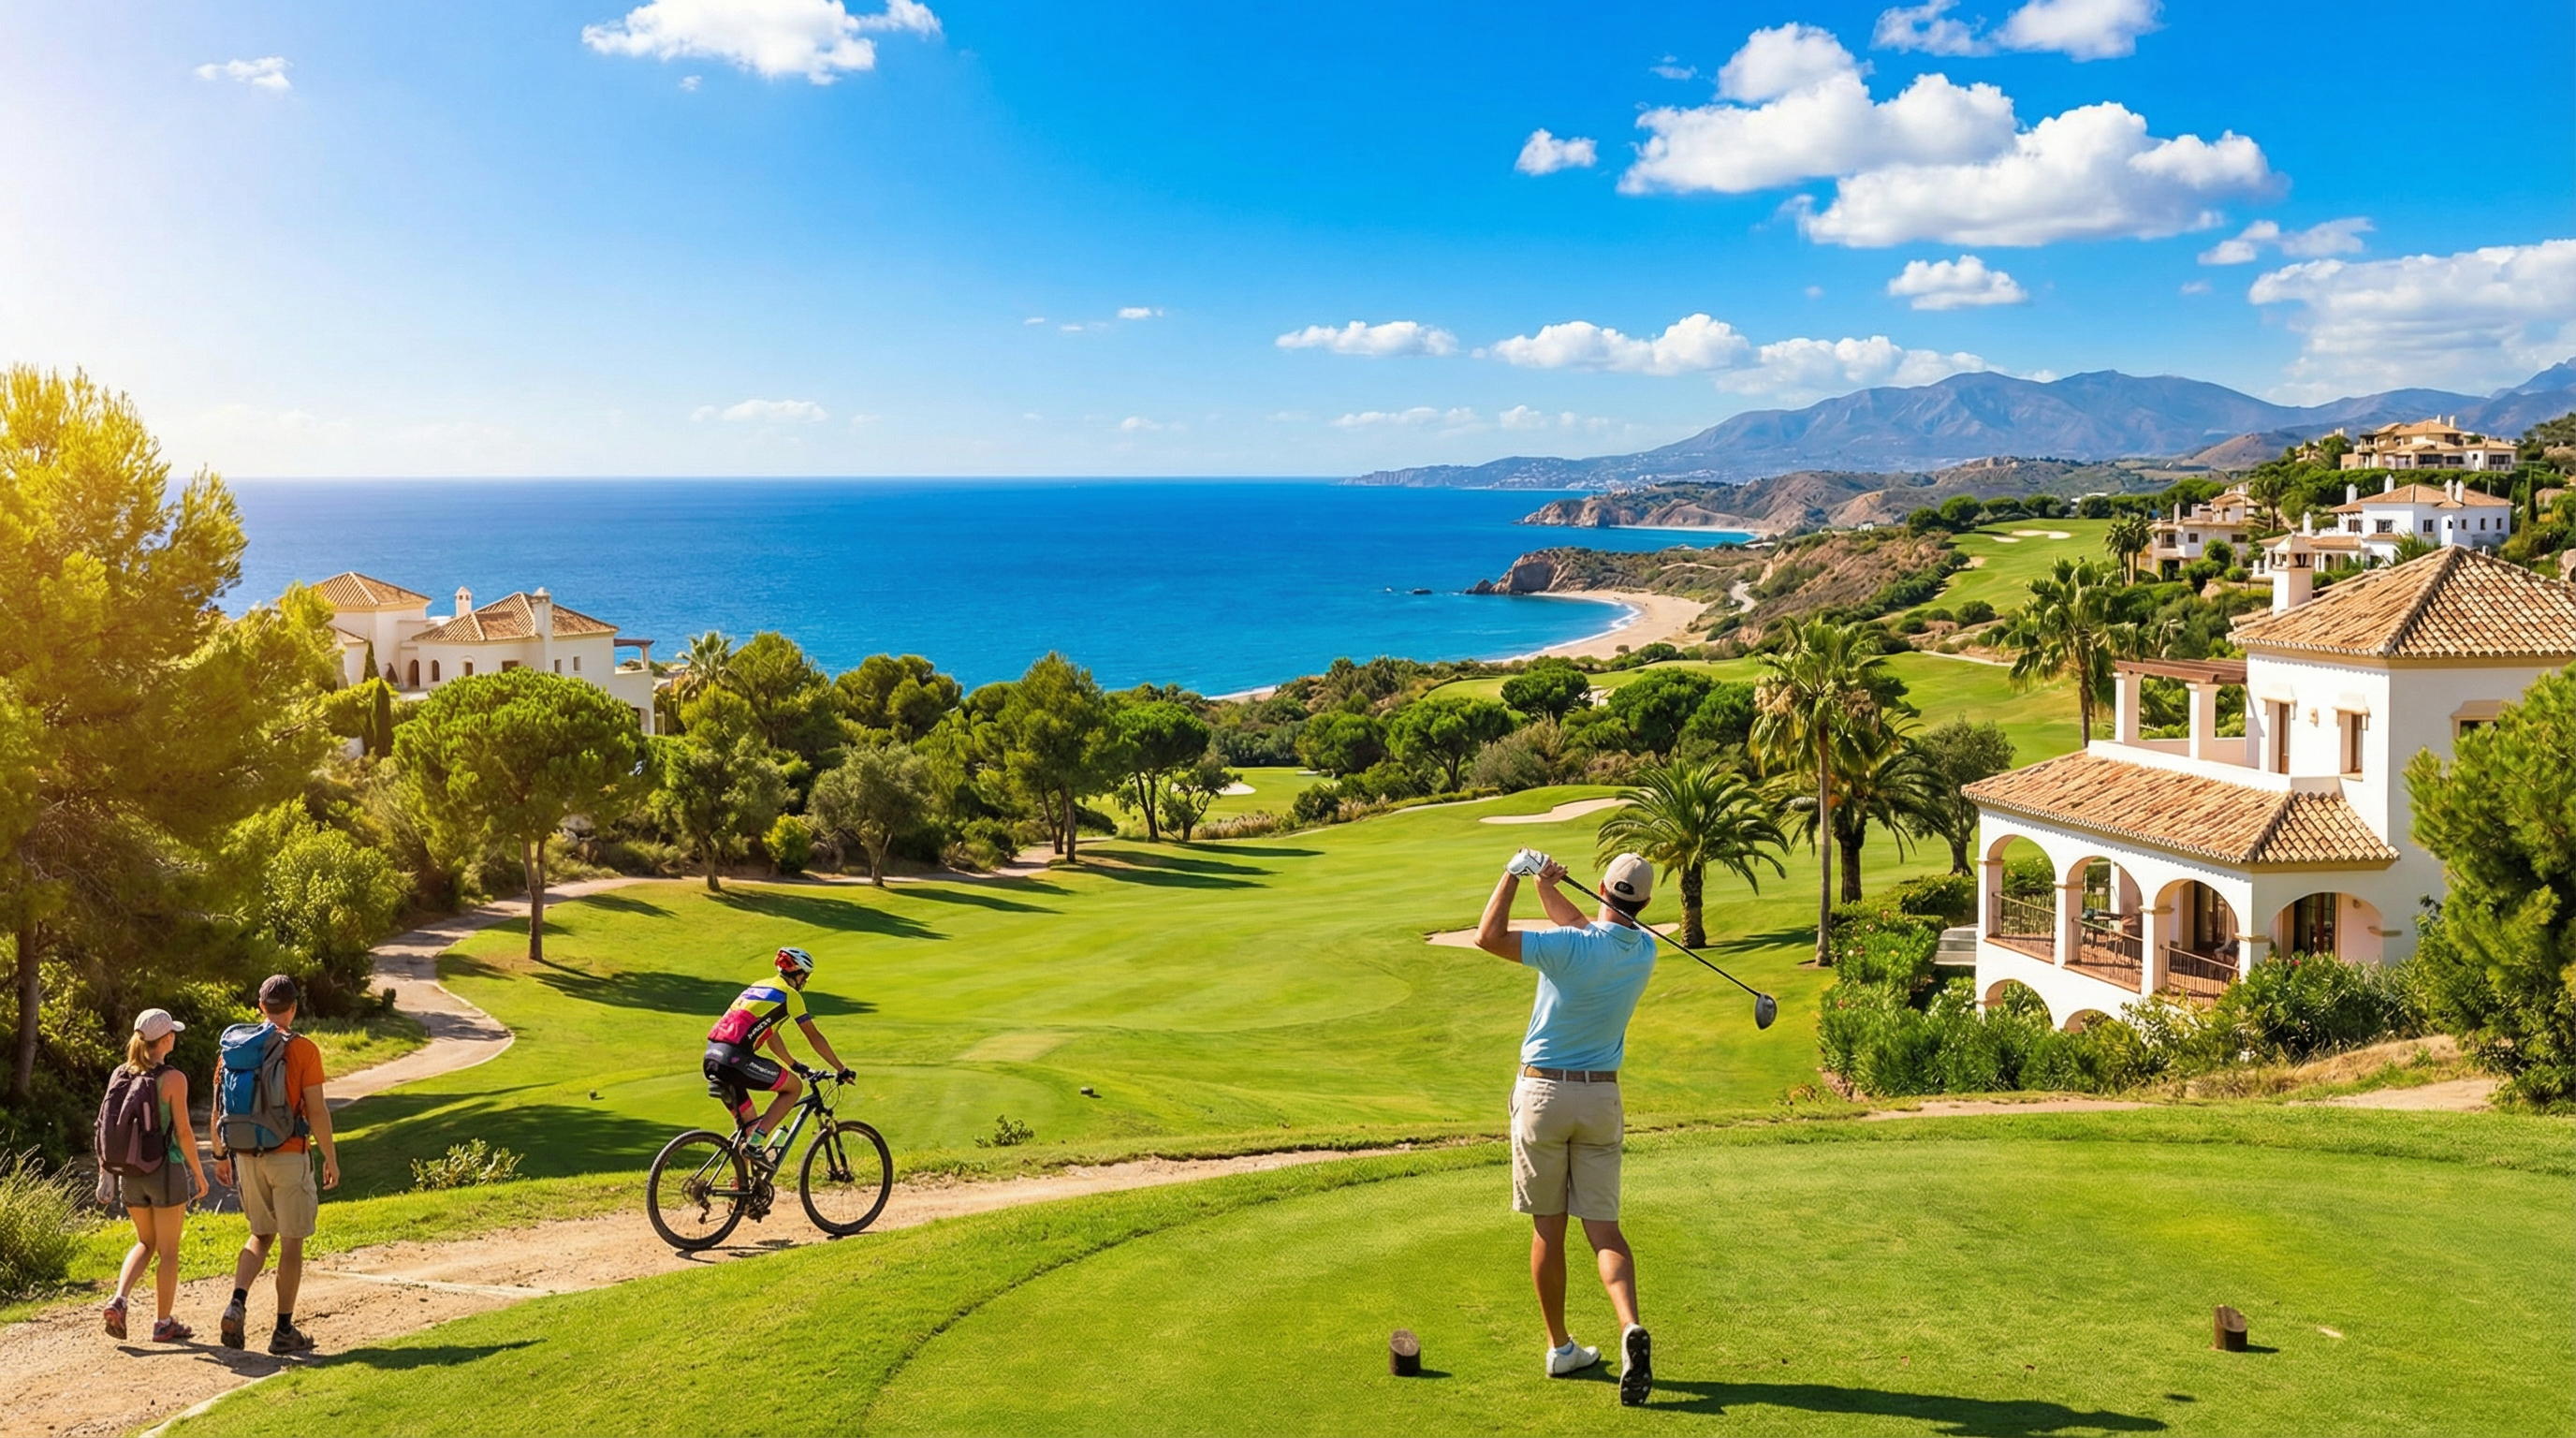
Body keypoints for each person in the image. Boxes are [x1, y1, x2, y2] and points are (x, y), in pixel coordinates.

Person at [1471, 848, 1658, 1407]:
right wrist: (1546, 885)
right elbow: (1581, 923)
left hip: (1543, 1096)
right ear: (1646, 903)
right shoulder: (1644, 950)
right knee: (1605, 1231)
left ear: (1602, 885)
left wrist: (1513, 873)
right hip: (1601, 1097)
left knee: (1549, 1230)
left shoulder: (1569, 948)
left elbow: (1489, 936)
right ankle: (1629, 1327)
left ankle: (1561, 1348)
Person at [211, 975, 340, 1355]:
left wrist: (220, 1156)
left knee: (260, 1234)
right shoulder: (303, 1050)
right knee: (291, 1243)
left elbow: (218, 1109)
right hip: (289, 1153)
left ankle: (237, 1301)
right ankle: (284, 1330)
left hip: (247, 1157)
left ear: (260, 1007)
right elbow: (316, 1110)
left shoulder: (232, 1050)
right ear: (294, 1007)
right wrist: (330, 1157)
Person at [102, 1009, 210, 1343]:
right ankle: (163, 1322)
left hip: (130, 1173)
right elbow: (184, 1132)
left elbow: (106, 1128)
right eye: (172, 1033)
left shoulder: (120, 1073)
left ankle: (118, 1300)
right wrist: (199, 1174)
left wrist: (106, 1174)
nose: (175, 1037)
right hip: (164, 1171)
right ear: (165, 1040)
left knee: (144, 1242)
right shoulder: (174, 1079)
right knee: (168, 1251)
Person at [703, 946, 855, 1144]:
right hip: (735, 1059)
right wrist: (841, 1069)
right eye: (805, 977)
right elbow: (814, 1036)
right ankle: (757, 1142)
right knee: (794, 1088)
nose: (805, 982)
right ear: (797, 973)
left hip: (712, 1057)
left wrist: (794, 1065)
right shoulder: (789, 995)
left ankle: (742, 1172)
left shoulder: (759, 986)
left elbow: (770, 1035)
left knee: (748, 1129)